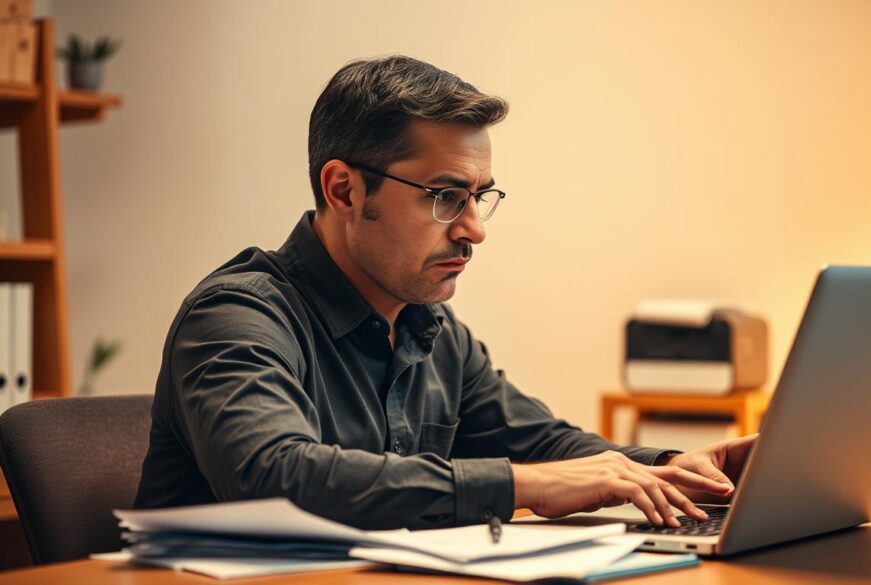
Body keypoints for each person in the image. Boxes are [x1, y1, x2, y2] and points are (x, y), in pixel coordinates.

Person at [133, 56, 757, 530]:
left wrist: (672, 468)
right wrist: (522, 486)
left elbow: (545, 446)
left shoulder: (429, 325)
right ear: (344, 190)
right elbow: (273, 474)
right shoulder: (237, 314)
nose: (474, 229)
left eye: (478, 197)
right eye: (443, 197)